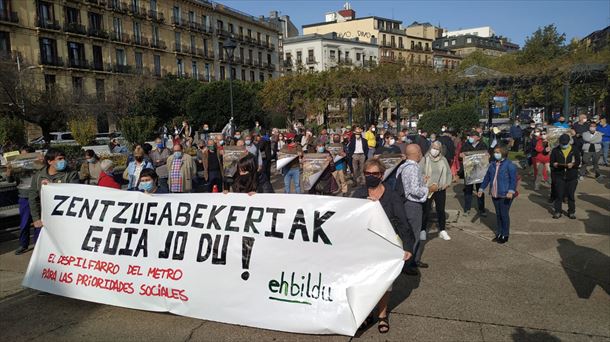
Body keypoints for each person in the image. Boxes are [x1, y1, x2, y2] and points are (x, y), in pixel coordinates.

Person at [352, 159, 415, 333]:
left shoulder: (392, 196)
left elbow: (402, 222)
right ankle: (365, 315)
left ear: (382, 174)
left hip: (386, 244)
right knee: (364, 281)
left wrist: (407, 246)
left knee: (385, 283)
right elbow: (349, 219)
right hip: (364, 245)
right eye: (368, 174)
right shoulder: (358, 194)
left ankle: (382, 314)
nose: (371, 177)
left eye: (375, 174)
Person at [29, 148, 79, 244]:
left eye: (64, 158)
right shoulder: (39, 175)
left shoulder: (71, 174)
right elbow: (33, 197)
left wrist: (52, 186)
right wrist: (36, 219)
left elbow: (74, 193)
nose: (63, 161)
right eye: (59, 159)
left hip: (64, 220)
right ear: (50, 161)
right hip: (45, 219)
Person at [396, 144, 429, 274]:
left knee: (410, 233)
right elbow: (414, 190)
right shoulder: (413, 168)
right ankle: (408, 264)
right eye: (420, 151)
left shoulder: (403, 166)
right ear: (417, 153)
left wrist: (422, 182)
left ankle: (414, 259)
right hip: (413, 205)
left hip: (405, 203)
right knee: (413, 235)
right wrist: (427, 189)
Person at [478, 146, 517, 243]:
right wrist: (481, 188)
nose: (496, 154)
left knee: (504, 214)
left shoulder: (509, 165)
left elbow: (513, 180)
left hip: (505, 194)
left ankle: (505, 234)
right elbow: (487, 177)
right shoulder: (492, 165)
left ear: (503, 153)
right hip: (495, 193)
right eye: (495, 152)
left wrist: (511, 191)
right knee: (498, 214)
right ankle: (499, 233)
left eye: (498, 152)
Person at [6, 146, 40, 255]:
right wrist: (9, 170)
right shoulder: (17, 166)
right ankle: (23, 244)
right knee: (24, 223)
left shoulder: (38, 165)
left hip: (37, 197)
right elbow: (9, 180)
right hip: (24, 197)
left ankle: (38, 245)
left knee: (38, 222)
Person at [421, 141, 453, 241]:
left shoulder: (443, 160)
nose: (435, 150)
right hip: (428, 189)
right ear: (430, 147)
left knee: (440, 210)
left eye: (437, 148)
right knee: (425, 210)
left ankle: (442, 230)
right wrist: (424, 180)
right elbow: (420, 172)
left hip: (440, 189)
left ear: (440, 150)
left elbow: (448, 173)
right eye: (434, 147)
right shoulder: (425, 159)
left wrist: (447, 183)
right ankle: (422, 230)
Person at [550, 134, 580, 219]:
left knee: (570, 195)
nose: (564, 145)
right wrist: (554, 164)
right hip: (559, 175)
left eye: (565, 143)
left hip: (572, 176)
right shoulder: (555, 150)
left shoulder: (575, 149)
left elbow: (578, 161)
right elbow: (551, 161)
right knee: (559, 195)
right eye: (562, 143)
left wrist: (573, 164)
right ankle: (557, 211)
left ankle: (571, 212)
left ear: (569, 142)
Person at [460, 132, 488, 217]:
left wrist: (487, 156)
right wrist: (461, 155)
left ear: (478, 138)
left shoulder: (483, 145)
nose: (470, 137)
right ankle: (467, 209)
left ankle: (482, 209)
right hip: (469, 172)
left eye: (472, 136)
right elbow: (460, 155)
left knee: (480, 191)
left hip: (480, 172)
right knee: (468, 191)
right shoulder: (466, 145)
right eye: (470, 136)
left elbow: (486, 155)